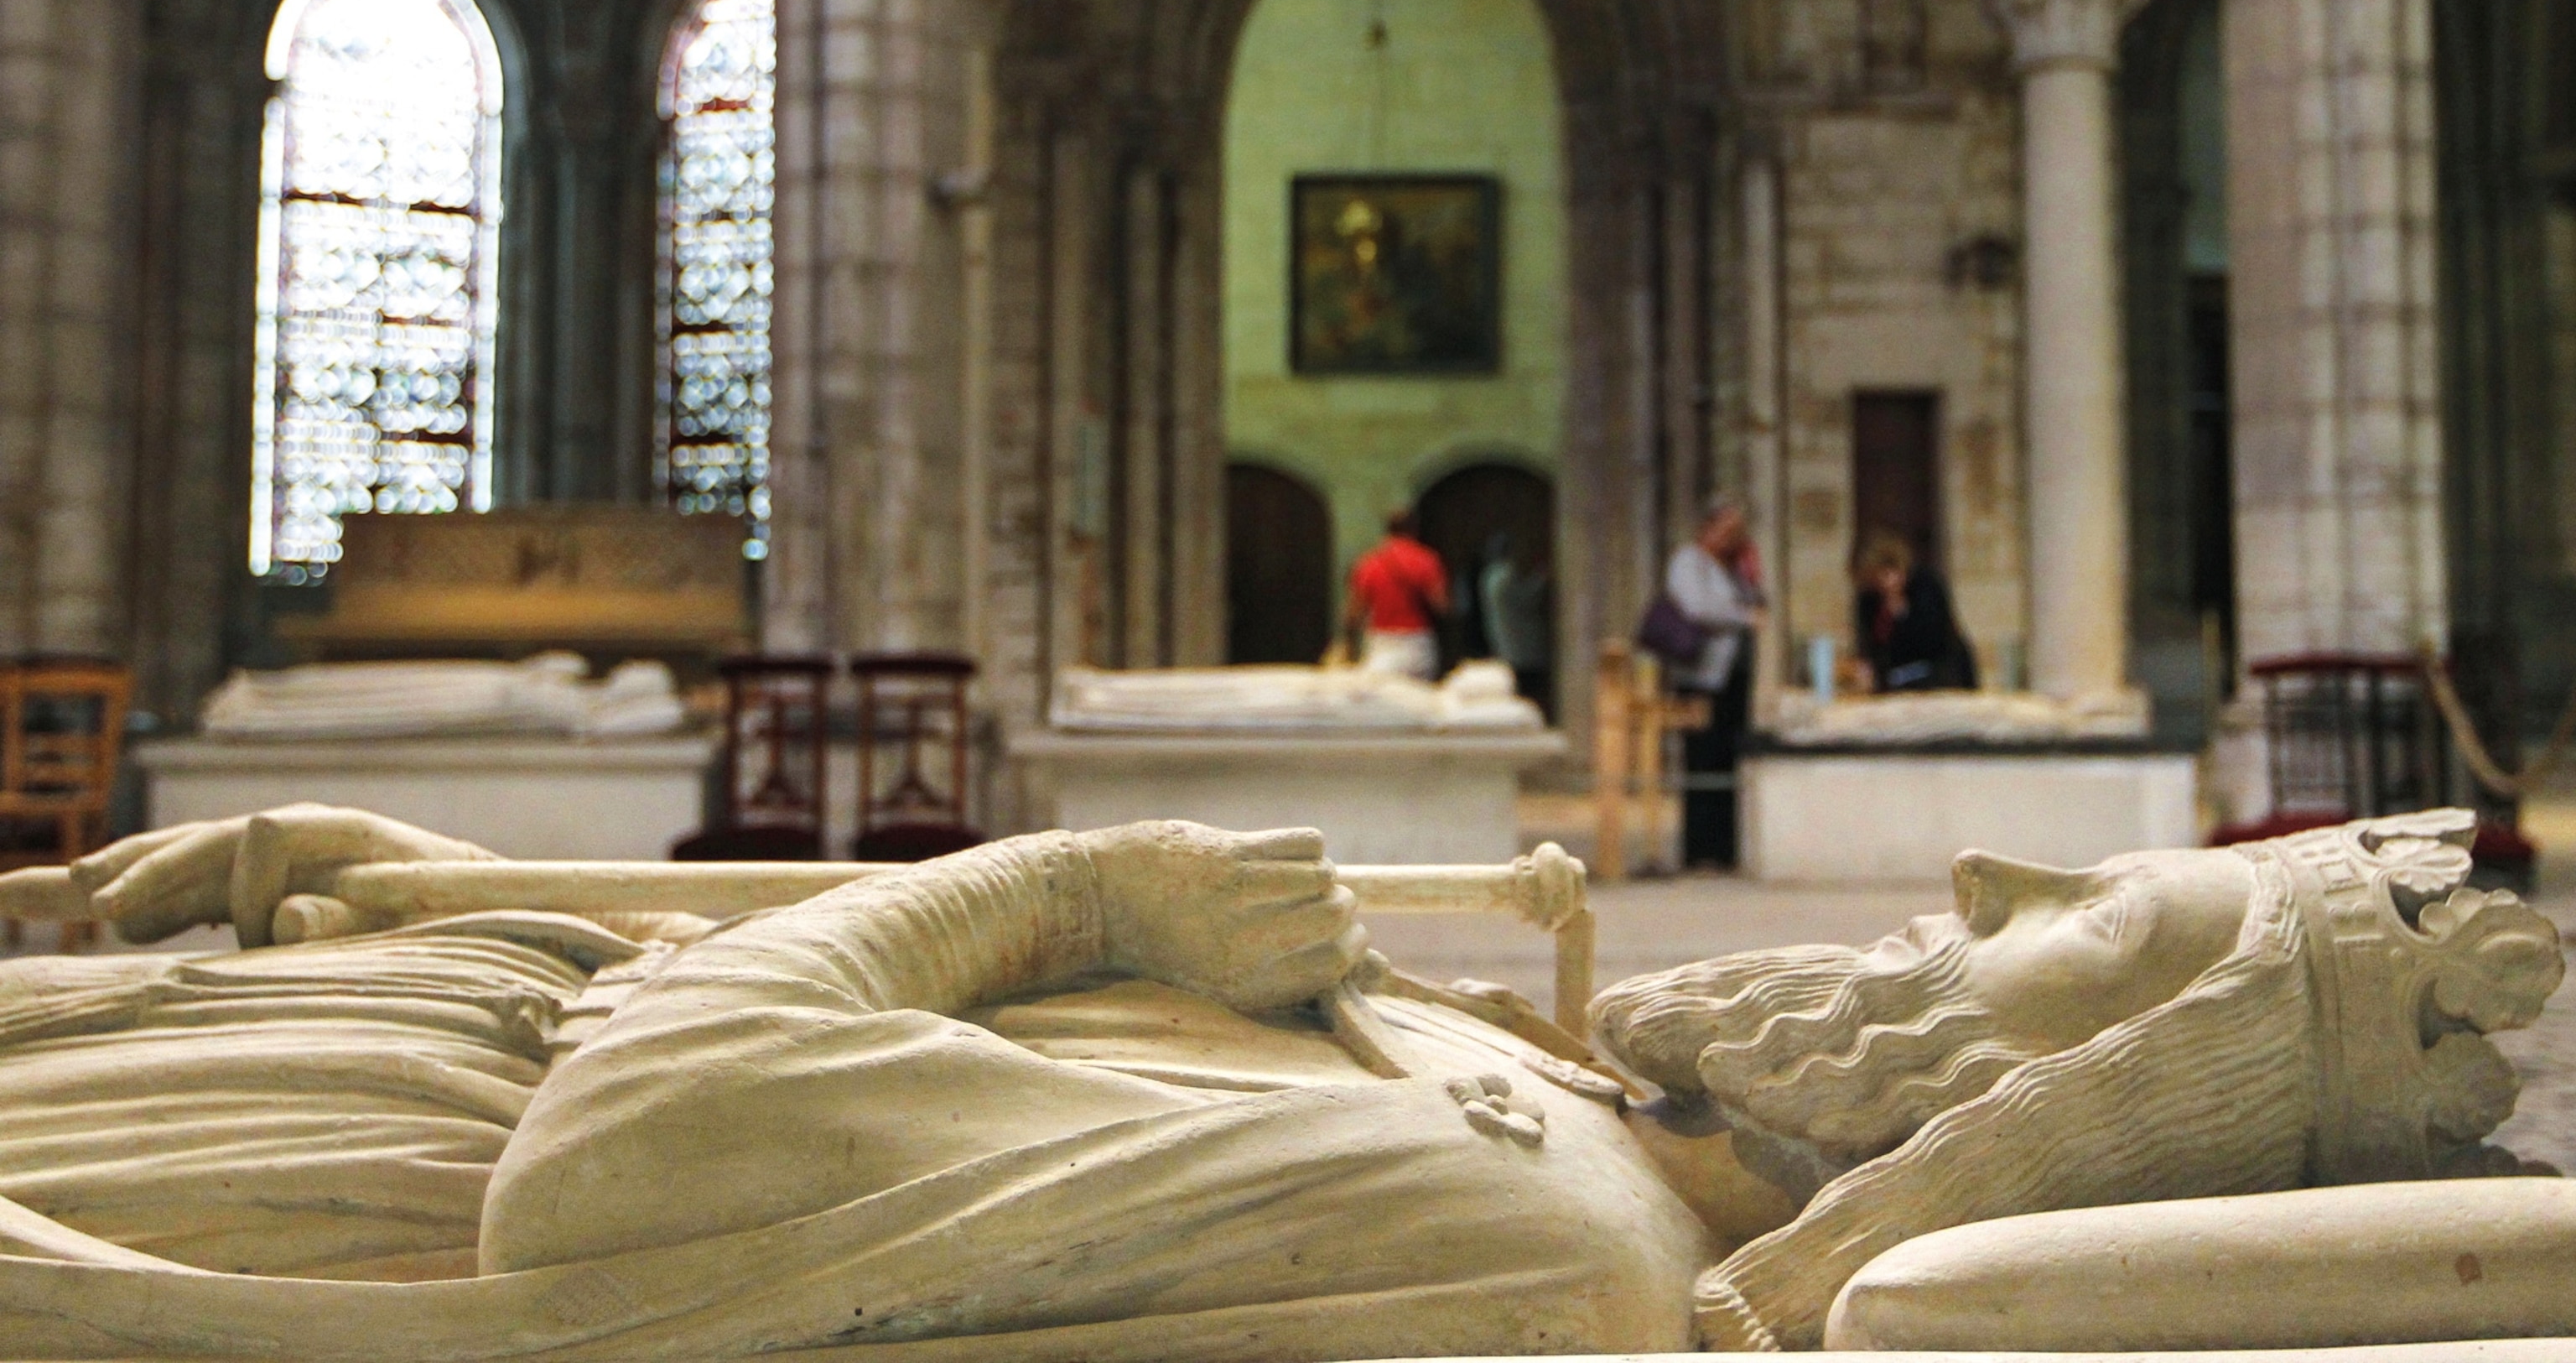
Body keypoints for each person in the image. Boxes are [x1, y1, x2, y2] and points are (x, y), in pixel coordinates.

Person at [0, 805, 2553, 1360]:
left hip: (254, 1153)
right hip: (349, 1011)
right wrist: (449, 874)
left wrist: (1085, 880)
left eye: (2092, 922)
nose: (1977, 892)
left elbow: (645, 1157)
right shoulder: (1557, 1084)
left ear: (2080, 1099)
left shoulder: (1529, 1230)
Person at [1660, 497, 1766, 868]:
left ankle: (1726, 848)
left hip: (1733, 676)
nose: (1732, 538)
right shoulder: (1688, 561)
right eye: (1726, 530)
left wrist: (1751, 572)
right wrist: (1741, 617)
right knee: (1702, 757)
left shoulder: (1734, 568)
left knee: (1728, 755)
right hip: (1701, 677)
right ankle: (1700, 849)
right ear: (1708, 529)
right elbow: (1695, 607)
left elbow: (1759, 604)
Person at [1850, 529, 1977, 693]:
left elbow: (1935, 636)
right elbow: (1870, 643)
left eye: (1890, 573)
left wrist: (1901, 613)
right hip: (1894, 683)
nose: (1886, 582)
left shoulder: (1926, 586)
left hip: (1939, 676)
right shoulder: (1869, 600)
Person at [1344, 507, 1448, 680]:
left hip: (1382, 641)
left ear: (1388, 529)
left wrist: (1349, 644)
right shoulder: (1427, 560)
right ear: (1415, 529)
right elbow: (1442, 606)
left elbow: (1354, 612)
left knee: (1384, 698)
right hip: (1418, 639)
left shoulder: (1368, 563)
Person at [1478, 532, 1553, 712]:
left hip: (1503, 641)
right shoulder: (1505, 575)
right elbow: (1526, 599)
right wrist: (1541, 578)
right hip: (1522, 643)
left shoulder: (1488, 575)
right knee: (1528, 689)